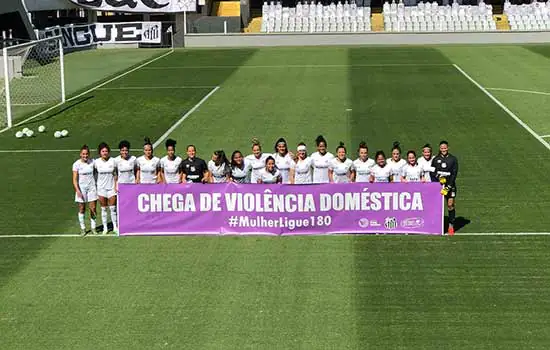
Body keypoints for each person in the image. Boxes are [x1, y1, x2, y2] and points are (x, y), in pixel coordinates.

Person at [431, 140, 459, 235]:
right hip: (439, 186)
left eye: (445, 148)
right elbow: (432, 172)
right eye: (442, 148)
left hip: (450, 186)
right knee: (437, 206)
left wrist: (448, 187)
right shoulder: (435, 159)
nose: (443, 149)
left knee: (450, 204)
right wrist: (438, 178)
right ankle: (436, 225)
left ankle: (451, 225)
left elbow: (454, 174)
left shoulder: (453, 159)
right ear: (440, 148)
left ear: (448, 148)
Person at [72, 145, 97, 235]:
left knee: (93, 208)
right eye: (83, 154)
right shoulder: (76, 164)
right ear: (80, 154)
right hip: (81, 189)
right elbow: (74, 179)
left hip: (92, 188)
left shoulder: (93, 162)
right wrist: (77, 190)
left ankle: (93, 228)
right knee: (82, 208)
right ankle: (83, 228)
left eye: (86, 154)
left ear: (89, 154)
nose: (85, 156)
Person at [94, 142, 117, 234]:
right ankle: (105, 228)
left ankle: (115, 226)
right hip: (101, 189)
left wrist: (116, 185)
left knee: (113, 208)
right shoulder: (96, 162)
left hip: (111, 188)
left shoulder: (113, 161)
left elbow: (115, 174)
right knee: (103, 209)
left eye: (106, 151)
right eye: (103, 151)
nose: (105, 153)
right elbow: (93, 174)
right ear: (100, 152)